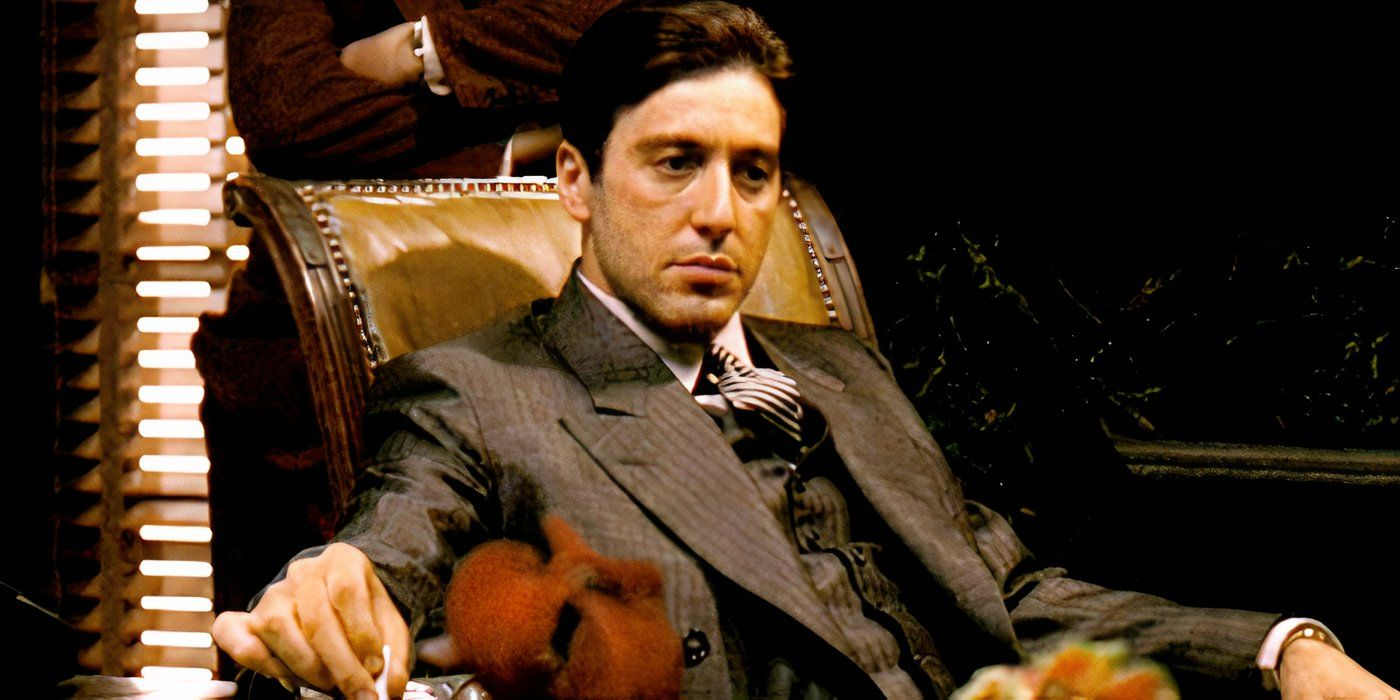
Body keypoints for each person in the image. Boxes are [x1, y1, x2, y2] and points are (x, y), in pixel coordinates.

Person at [212, 2, 1398, 698]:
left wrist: (1280, 651)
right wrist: (335, 587)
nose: (718, 213)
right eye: (673, 164)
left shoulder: (841, 372)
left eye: (752, 172)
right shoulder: (479, 390)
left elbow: (1009, 598)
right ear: (574, 181)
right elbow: (388, 545)